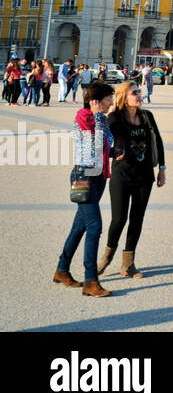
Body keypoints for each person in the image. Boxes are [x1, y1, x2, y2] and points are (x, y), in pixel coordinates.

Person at [54, 82, 116, 296]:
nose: (112, 103)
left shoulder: (103, 120)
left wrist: (115, 151)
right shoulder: (84, 116)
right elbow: (93, 147)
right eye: (109, 98)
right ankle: (91, 281)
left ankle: (62, 270)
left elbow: (105, 146)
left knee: (79, 227)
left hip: (98, 177)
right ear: (96, 101)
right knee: (95, 227)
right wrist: (98, 117)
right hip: (84, 176)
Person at [101, 81, 166, 278]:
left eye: (139, 91)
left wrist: (162, 168)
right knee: (118, 220)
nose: (139, 95)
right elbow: (102, 140)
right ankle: (106, 257)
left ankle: (128, 264)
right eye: (134, 93)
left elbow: (159, 142)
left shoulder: (147, 116)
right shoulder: (114, 118)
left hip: (145, 176)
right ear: (123, 97)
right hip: (122, 175)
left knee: (137, 219)